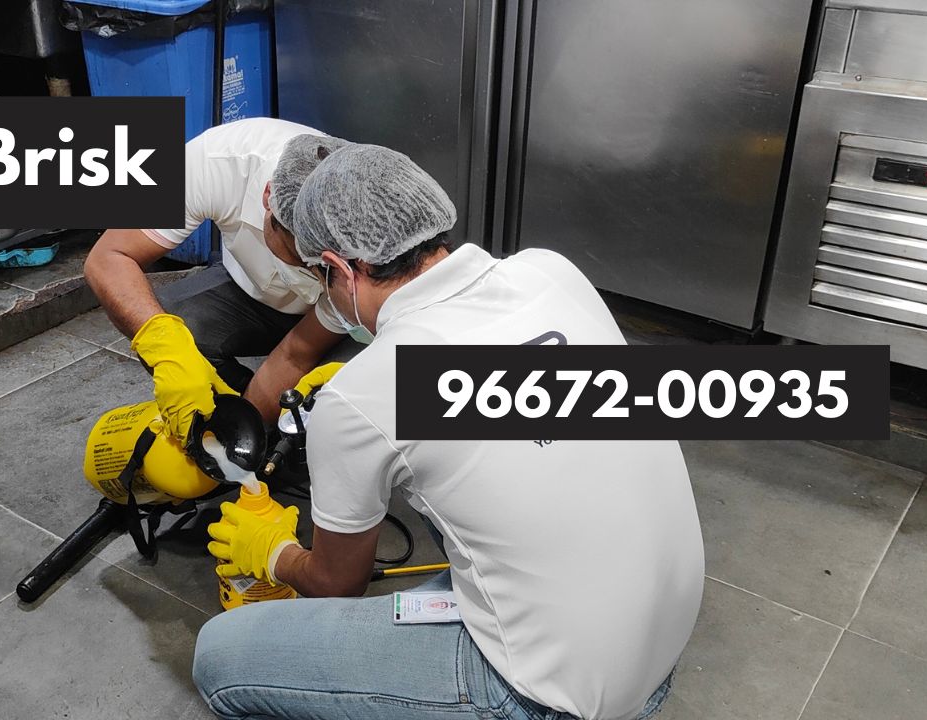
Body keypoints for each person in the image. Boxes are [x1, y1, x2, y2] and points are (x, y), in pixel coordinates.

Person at [193, 144, 705, 720]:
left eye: (320, 278)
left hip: (549, 698)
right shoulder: (550, 270)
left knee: (220, 655)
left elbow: (336, 584)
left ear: (341, 269)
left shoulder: (362, 397)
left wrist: (274, 552)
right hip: (657, 645)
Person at [84, 117, 353, 437]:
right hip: (250, 293)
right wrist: (168, 350)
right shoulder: (217, 162)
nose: (310, 273)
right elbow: (107, 258)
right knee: (167, 322)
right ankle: (225, 419)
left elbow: (296, 354)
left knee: (351, 400)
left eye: (319, 266)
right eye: (299, 259)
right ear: (268, 198)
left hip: (348, 320)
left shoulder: (368, 228)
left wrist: (252, 430)